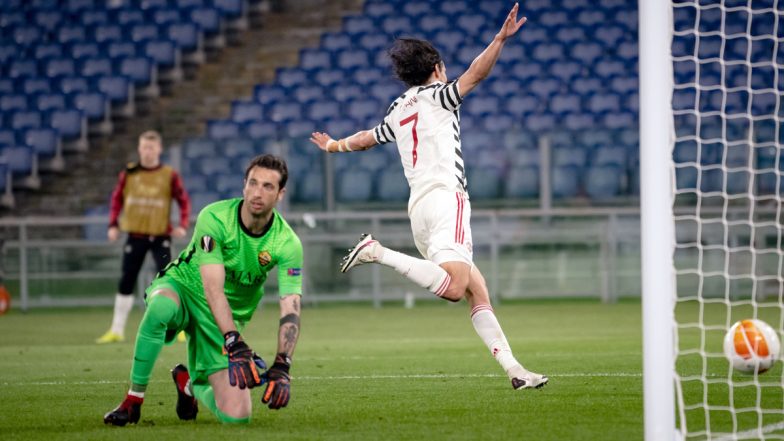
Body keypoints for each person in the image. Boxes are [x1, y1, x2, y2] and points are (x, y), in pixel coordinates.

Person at [310, 3, 547, 391]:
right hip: (445, 199)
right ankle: (376, 251)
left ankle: (515, 371)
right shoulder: (439, 95)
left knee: (476, 289)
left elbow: (368, 138)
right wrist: (499, 40)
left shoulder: (398, 108)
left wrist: (334, 145)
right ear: (436, 68)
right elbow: (477, 73)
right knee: (455, 288)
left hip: (419, 210)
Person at [104, 154, 303, 425]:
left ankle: (190, 384)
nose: (258, 192)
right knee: (161, 307)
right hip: (185, 288)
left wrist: (283, 363)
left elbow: (290, 307)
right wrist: (234, 340)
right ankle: (133, 400)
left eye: (268, 186)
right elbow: (212, 288)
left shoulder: (287, 243)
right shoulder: (215, 217)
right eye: (253, 183)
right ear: (244, 184)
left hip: (223, 316)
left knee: (238, 418)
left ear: (281, 194)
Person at [96, 130, 191, 344]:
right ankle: (116, 329)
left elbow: (183, 200)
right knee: (126, 280)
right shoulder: (129, 174)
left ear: (159, 149)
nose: (148, 152)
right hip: (135, 235)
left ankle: (180, 328)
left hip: (160, 236)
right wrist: (112, 224)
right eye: (144, 147)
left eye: (151, 147)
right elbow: (116, 200)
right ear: (139, 149)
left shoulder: (169, 174)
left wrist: (183, 224)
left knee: (170, 281)